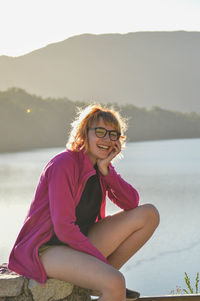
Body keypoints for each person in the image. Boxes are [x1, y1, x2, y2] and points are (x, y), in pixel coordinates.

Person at [8, 104, 160, 301]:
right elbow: (63, 228)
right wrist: (101, 263)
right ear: (84, 133)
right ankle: (107, 281)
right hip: (46, 249)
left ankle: (99, 281)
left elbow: (132, 202)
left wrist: (107, 171)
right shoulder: (63, 164)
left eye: (113, 134)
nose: (107, 139)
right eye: (100, 132)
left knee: (149, 214)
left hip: (77, 243)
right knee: (116, 282)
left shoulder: (100, 167)